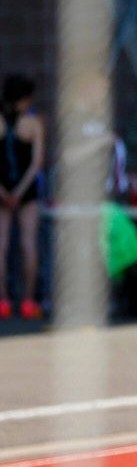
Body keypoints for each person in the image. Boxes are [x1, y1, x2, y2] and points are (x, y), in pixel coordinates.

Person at [0, 74, 45, 320]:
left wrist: (5, 192)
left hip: (5, 191)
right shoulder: (33, 123)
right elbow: (36, 163)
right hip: (25, 193)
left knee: (2, 246)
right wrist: (18, 192)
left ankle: (3, 301)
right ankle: (28, 301)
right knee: (29, 245)